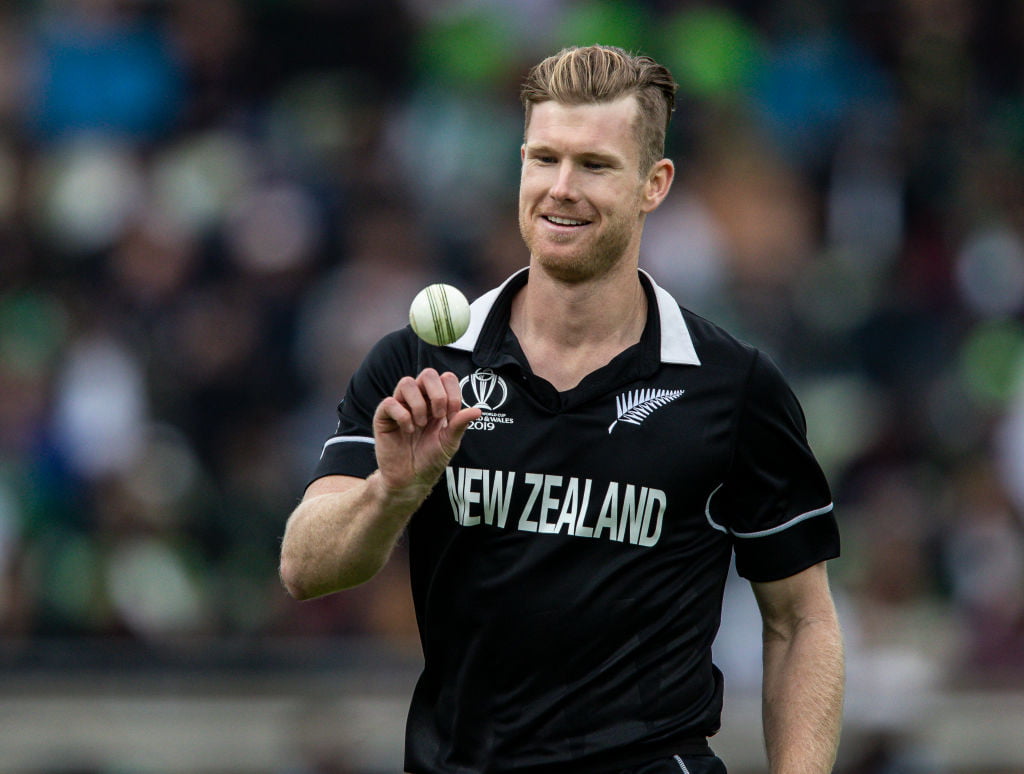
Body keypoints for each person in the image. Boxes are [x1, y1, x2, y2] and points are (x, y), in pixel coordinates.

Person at [280, 45, 844, 774]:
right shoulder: (418, 364)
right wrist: (392, 491)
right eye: (545, 159)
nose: (562, 188)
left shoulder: (733, 386)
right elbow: (305, 567)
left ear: (653, 184)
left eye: (596, 165)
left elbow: (800, 620)